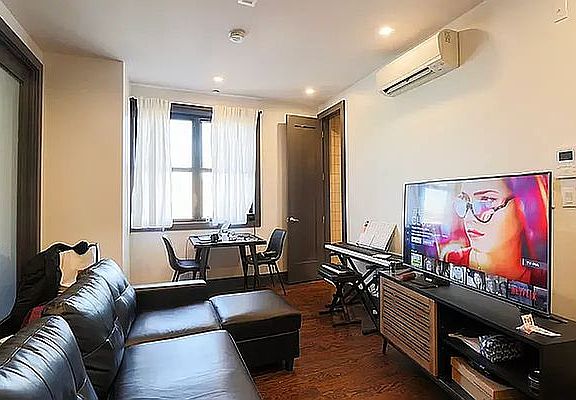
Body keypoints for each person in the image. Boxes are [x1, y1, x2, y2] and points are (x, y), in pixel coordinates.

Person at [444, 175, 548, 287]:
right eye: (464, 201)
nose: (468, 218)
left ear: (526, 206)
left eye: (487, 201)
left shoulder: (542, 278)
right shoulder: (451, 259)